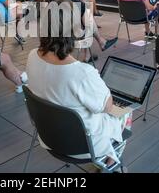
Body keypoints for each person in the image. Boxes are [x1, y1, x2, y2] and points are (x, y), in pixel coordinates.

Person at [26, 14, 130, 167]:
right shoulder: (82, 73)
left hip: (48, 136)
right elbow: (106, 107)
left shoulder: (32, 55)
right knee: (126, 111)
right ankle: (112, 161)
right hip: (83, 146)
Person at [52, 0, 118, 63]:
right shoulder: (78, 4)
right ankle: (100, 43)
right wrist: (84, 5)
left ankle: (94, 49)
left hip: (54, 31)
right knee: (88, 22)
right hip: (71, 35)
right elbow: (88, 27)